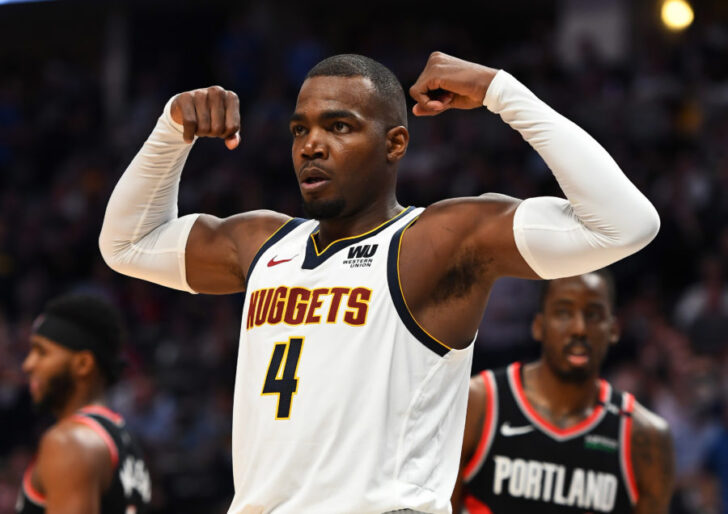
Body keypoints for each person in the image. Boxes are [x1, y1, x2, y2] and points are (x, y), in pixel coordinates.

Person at [98, 52, 660, 513]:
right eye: (301, 129)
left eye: (338, 126)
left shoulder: (436, 242)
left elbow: (626, 223)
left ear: (395, 143)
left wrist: (500, 91)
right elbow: (124, 245)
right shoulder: (262, 243)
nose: (311, 145)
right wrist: (171, 131)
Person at [452, 271, 675, 514]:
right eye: (563, 312)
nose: (579, 328)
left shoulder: (646, 438)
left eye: (593, 314)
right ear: (538, 326)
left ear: (613, 329)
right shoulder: (478, 404)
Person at [17, 294, 151, 514]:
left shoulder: (69, 442)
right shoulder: (123, 438)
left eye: (42, 352)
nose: (28, 365)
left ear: (83, 364)